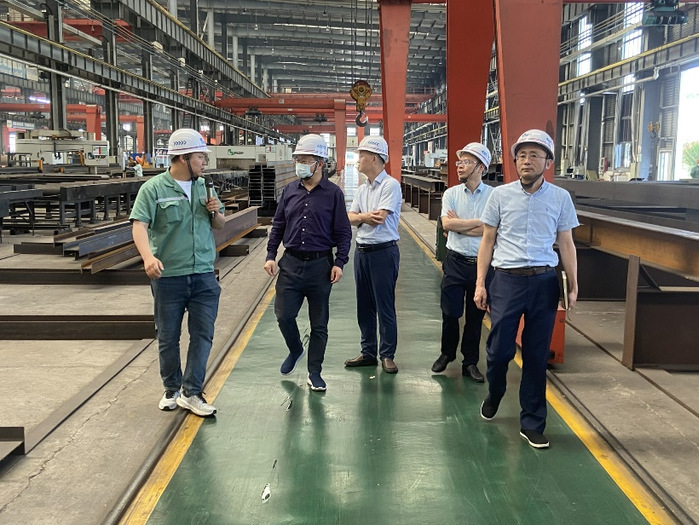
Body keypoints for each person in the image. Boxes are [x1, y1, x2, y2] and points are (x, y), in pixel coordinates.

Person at [474, 129, 579, 449]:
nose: (526, 161)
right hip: (506, 281)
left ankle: (532, 421)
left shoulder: (560, 198)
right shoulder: (499, 196)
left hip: (544, 282)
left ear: (548, 162)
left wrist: (573, 285)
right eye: (521, 155)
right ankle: (495, 392)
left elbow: (566, 243)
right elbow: (487, 241)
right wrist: (480, 282)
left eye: (534, 155)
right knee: (499, 351)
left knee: (536, 355)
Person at [130, 128, 225, 417]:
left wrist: (215, 211)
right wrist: (148, 257)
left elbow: (219, 224)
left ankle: (191, 391)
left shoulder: (205, 187)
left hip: (204, 274)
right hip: (169, 276)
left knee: (203, 334)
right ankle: (171, 387)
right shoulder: (154, 189)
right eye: (200, 157)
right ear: (183, 158)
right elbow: (139, 225)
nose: (204, 162)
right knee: (168, 336)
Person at [264, 134, 352, 392]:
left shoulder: (333, 194)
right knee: (284, 315)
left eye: (304, 160)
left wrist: (340, 262)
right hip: (290, 264)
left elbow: (343, 232)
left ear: (319, 163)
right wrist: (270, 255)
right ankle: (295, 349)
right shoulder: (289, 191)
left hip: (320, 266)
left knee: (319, 324)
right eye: (298, 160)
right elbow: (278, 225)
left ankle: (315, 372)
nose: (299, 165)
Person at [431, 142, 494, 382]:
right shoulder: (451, 194)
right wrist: (479, 223)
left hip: (481, 265)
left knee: (476, 316)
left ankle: (470, 362)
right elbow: (447, 224)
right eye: (460, 162)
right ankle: (447, 353)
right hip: (455, 261)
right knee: (450, 312)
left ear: (481, 167)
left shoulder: (493, 196)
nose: (459, 166)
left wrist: (462, 226)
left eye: (466, 162)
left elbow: (493, 230)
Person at [344, 136, 402, 374]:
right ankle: (368, 352)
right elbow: (349, 218)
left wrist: (361, 218)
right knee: (364, 306)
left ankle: (387, 354)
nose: (358, 160)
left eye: (362, 155)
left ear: (375, 158)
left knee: (384, 305)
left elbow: (379, 219)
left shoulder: (390, 186)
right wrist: (363, 217)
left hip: (383, 253)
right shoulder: (362, 189)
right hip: (362, 252)